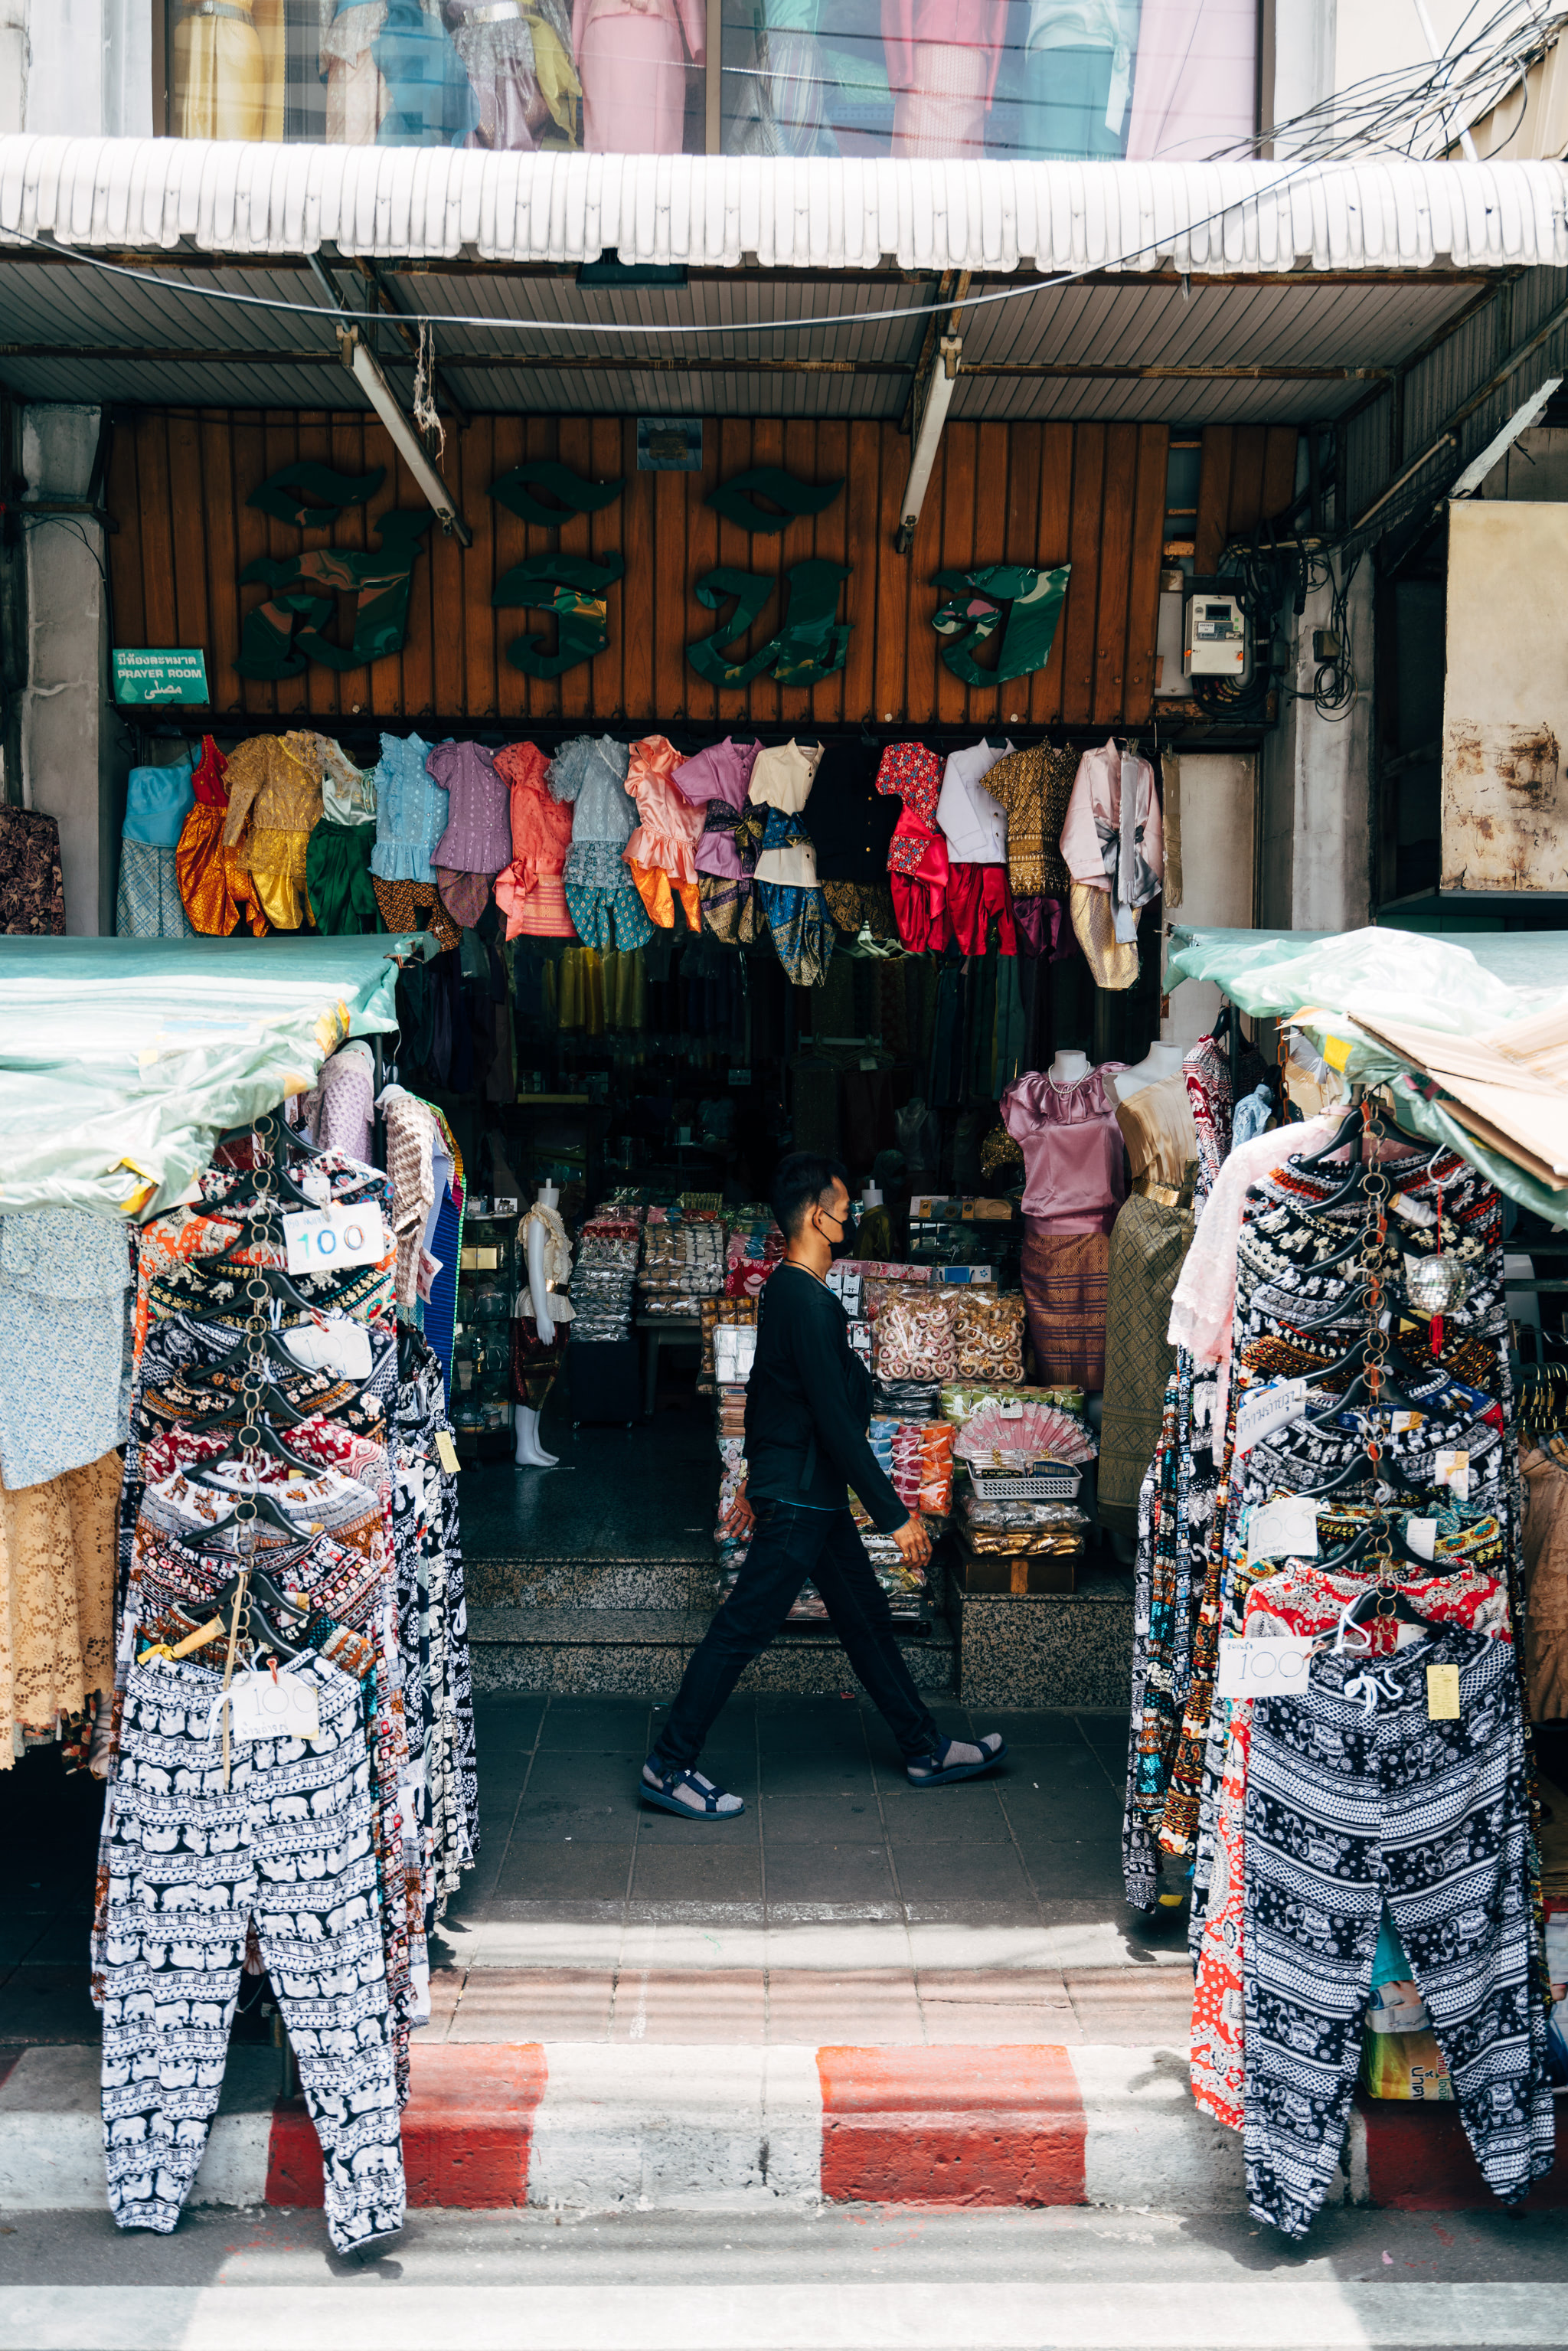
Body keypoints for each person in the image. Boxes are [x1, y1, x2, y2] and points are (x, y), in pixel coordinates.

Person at [639, 1153, 1008, 1819]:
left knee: (866, 1620)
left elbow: (766, 1394)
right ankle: (669, 1765)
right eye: (847, 1208)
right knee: (742, 1628)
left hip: (811, 1493)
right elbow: (835, 1423)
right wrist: (895, 1514)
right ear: (818, 1216)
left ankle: (925, 1747)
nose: (854, 1219)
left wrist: (753, 1477)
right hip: (805, 1497)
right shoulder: (805, 1302)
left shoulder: (790, 1291)